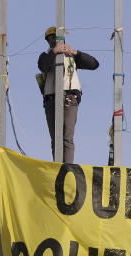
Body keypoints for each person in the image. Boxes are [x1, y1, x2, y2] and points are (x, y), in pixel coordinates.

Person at [37, 27, 99, 163]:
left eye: (54, 37)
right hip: (51, 100)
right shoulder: (45, 56)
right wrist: (55, 52)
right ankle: (58, 167)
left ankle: (68, 168)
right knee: (55, 140)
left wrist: (75, 52)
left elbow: (94, 64)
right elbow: (43, 66)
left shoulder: (71, 56)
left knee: (67, 138)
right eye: (49, 39)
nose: (51, 40)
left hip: (69, 98)